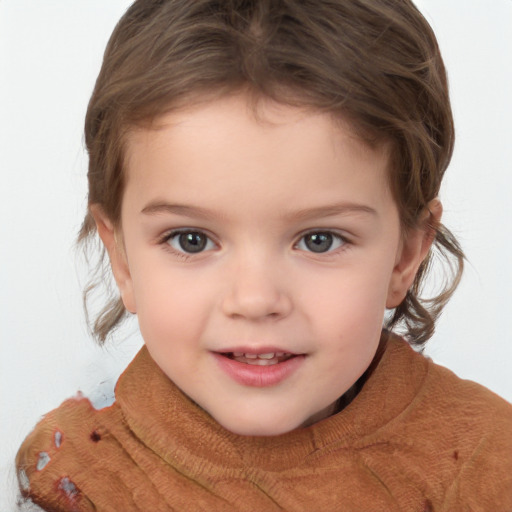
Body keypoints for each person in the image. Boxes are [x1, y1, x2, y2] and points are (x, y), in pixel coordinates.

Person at [15, 0, 512, 510]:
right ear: (121, 258)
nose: (254, 300)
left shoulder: (486, 464)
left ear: (405, 256)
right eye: (192, 240)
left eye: (320, 240)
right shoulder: (78, 473)